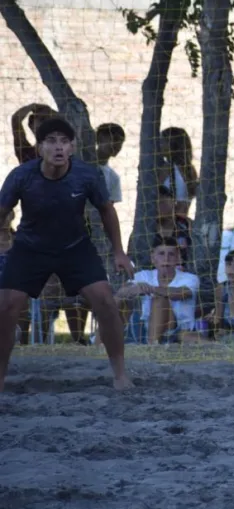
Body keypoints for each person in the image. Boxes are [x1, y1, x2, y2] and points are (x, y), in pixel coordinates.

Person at [0, 117, 135, 391]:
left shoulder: (87, 175)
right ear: (40, 148)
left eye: (64, 141)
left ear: (72, 147)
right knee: (6, 307)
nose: (58, 147)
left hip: (75, 247)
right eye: (51, 141)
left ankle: (121, 374)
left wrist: (119, 252)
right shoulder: (21, 176)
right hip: (30, 248)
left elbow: (107, 210)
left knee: (106, 302)